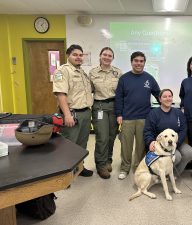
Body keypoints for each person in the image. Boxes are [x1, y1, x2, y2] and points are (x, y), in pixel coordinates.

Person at [115, 51, 160, 180]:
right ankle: (124, 168)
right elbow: (119, 98)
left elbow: (158, 93)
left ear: (144, 63)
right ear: (131, 62)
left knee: (141, 146)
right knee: (126, 146)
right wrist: (119, 114)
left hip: (144, 118)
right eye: (136, 61)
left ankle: (139, 167)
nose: (138, 63)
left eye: (141, 61)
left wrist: (164, 105)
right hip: (127, 118)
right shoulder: (124, 78)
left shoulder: (149, 78)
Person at [53, 44, 94, 177]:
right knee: (68, 145)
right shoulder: (62, 71)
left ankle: (79, 168)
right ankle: (65, 174)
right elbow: (61, 94)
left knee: (82, 144)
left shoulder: (82, 72)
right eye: (75, 54)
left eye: (80, 55)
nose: (78, 57)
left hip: (85, 113)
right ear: (68, 55)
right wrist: (67, 115)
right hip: (72, 114)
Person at [144, 89, 192, 177]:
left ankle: (174, 175)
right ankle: (162, 174)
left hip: (176, 142)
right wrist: (150, 141)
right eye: (164, 97)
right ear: (160, 99)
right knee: (177, 157)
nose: (168, 99)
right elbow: (148, 130)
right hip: (161, 145)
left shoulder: (178, 113)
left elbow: (183, 129)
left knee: (190, 153)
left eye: (170, 96)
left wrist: (176, 143)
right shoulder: (153, 114)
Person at [89, 47, 122, 179]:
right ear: (100, 56)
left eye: (110, 55)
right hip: (100, 106)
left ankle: (108, 160)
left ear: (112, 58)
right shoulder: (93, 73)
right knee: (102, 137)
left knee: (111, 136)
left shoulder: (118, 72)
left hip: (114, 106)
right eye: (105, 55)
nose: (107, 57)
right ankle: (101, 165)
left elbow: (121, 92)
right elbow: (89, 90)